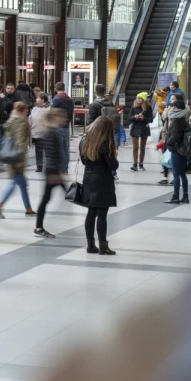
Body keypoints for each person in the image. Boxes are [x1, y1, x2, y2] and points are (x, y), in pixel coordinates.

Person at [79, 116, 119, 256]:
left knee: (91, 212)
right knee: (102, 213)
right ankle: (103, 246)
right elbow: (113, 165)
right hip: (102, 179)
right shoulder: (105, 143)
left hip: (88, 177)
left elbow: (84, 161)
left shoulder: (84, 140)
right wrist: (115, 155)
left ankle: (90, 245)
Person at [0, 102, 34, 218]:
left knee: (21, 183)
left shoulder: (11, 119)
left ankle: (28, 208)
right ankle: (0, 205)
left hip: (10, 155)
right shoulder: (21, 121)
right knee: (15, 183)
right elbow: (20, 140)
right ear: (25, 110)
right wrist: (20, 158)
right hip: (17, 157)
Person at [33, 108, 67, 238]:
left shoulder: (51, 132)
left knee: (65, 194)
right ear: (55, 118)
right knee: (46, 199)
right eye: (61, 117)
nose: (63, 120)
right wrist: (55, 172)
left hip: (54, 171)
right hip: (52, 172)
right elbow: (51, 154)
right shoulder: (50, 133)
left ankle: (38, 226)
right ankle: (38, 227)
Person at [165, 96, 191, 204]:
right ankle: (185, 196)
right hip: (184, 150)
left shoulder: (176, 121)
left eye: (172, 107)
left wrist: (167, 142)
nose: (170, 109)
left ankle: (175, 196)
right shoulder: (184, 119)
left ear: (176, 109)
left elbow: (175, 137)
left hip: (176, 150)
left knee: (176, 174)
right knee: (182, 174)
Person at [50, 82, 75, 173]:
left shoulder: (56, 99)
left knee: (59, 148)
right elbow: (71, 113)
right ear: (64, 88)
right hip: (66, 126)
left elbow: (51, 113)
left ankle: (61, 168)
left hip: (57, 127)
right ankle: (65, 167)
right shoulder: (70, 100)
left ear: (55, 89)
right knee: (65, 147)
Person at [128, 93, 153, 171]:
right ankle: (135, 164)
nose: (138, 100)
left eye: (140, 98)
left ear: (144, 99)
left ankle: (141, 164)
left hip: (144, 128)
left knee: (142, 147)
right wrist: (135, 116)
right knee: (135, 147)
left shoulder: (148, 108)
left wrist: (144, 118)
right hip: (135, 127)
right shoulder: (134, 106)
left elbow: (151, 119)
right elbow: (129, 118)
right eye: (137, 98)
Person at [29, 93, 51, 171]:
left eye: (38, 98)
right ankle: (39, 166)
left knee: (48, 151)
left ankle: (49, 167)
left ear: (43, 99)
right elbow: (30, 119)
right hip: (36, 133)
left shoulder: (49, 109)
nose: (36, 99)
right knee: (38, 151)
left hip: (45, 133)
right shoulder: (35, 108)